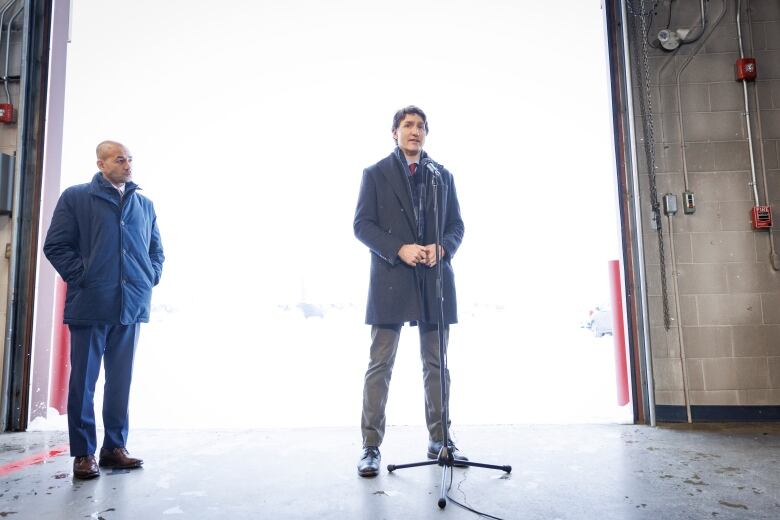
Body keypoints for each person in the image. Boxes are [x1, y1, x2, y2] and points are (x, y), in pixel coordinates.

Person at [353, 106, 465, 477]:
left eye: (420, 126)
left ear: (426, 134)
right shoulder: (375, 174)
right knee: (380, 365)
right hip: (391, 277)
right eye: (407, 125)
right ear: (394, 132)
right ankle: (370, 447)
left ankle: (440, 440)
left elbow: (456, 226)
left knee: (437, 365)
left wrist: (443, 248)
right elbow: (362, 225)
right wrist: (397, 247)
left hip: (434, 280)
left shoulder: (442, 176)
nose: (414, 131)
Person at [43, 141, 164, 480]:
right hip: (92, 303)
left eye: (130, 159)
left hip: (131, 305)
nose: (127, 164)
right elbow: (55, 245)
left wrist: (149, 276)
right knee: (84, 381)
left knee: (120, 381)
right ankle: (83, 453)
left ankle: (114, 448)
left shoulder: (144, 204)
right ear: (101, 163)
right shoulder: (77, 197)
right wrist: (83, 276)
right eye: (119, 159)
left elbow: (156, 250)